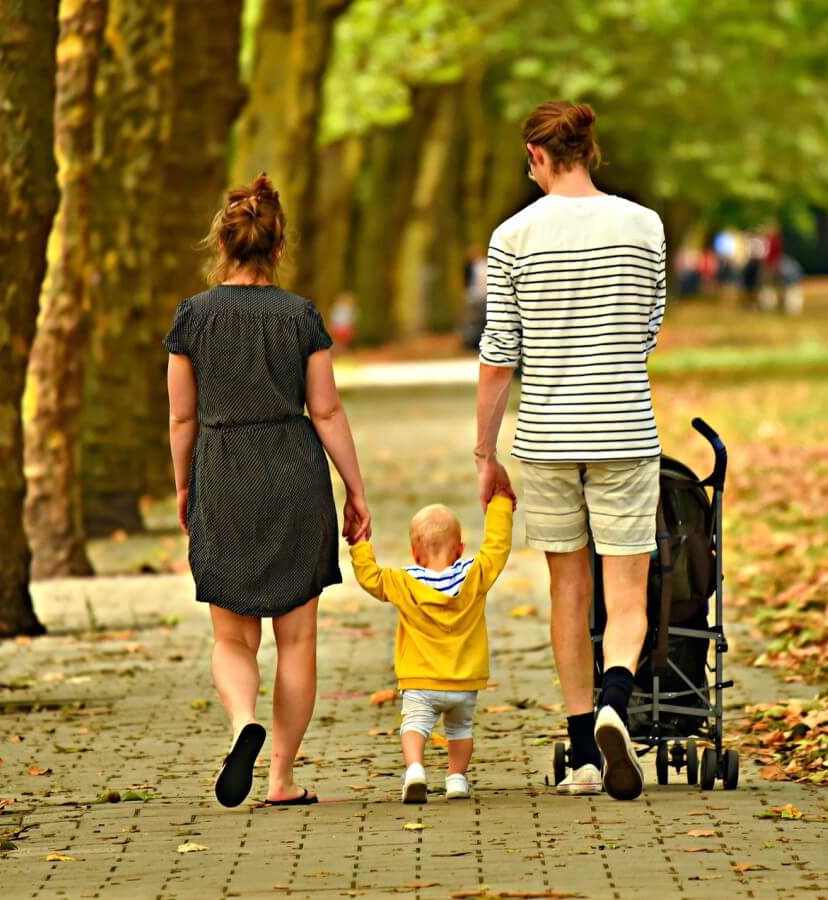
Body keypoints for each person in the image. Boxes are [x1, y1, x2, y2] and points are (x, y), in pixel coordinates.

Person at [474, 100, 666, 801]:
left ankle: (584, 751)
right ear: (591, 150)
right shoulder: (643, 226)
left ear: (537, 157)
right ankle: (619, 697)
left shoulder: (512, 237)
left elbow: (500, 355)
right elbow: (649, 329)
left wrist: (484, 451)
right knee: (627, 591)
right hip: (623, 430)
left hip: (548, 439)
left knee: (567, 589)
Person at [163, 174, 372, 808]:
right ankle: (281, 778)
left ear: (221, 245)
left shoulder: (192, 319)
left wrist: (183, 487)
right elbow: (328, 412)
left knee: (232, 639)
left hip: (223, 470)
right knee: (298, 641)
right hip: (294, 470)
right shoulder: (301, 315)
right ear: (278, 247)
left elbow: (181, 418)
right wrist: (355, 490)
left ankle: (241, 724)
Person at [349, 496, 514, 803]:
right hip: (464, 682)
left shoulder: (403, 582)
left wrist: (360, 543)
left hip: (419, 682)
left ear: (414, 552)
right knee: (460, 730)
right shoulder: (474, 575)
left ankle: (414, 770)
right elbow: (497, 548)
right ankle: (457, 779)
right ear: (460, 549)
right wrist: (500, 506)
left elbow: (370, 578)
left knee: (414, 726)